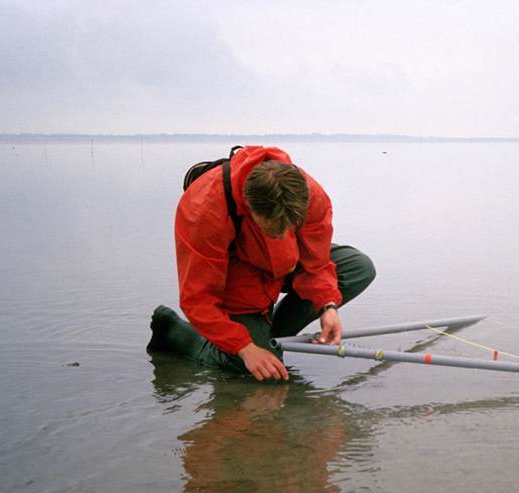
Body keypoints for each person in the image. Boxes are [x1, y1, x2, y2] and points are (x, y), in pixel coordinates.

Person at [148, 145, 375, 381]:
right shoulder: (203, 209)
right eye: (274, 229)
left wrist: (327, 306)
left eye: (291, 226)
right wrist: (245, 348)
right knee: (259, 372)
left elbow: (315, 262)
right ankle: (181, 335)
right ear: (249, 205)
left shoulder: (310, 194)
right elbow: (197, 299)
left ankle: (264, 340)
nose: (283, 234)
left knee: (359, 268)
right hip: (238, 277)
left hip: (284, 265)